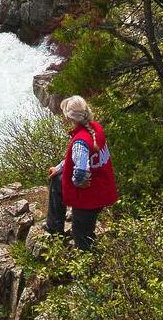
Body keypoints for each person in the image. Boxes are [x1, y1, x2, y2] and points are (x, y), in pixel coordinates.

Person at [46, 95, 118, 250]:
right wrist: (59, 168)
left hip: (90, 197)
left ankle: (90, 268)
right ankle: (54, 228)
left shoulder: (80, 141)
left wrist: (77, 183)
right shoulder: (95, 129)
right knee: (57, 180)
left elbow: (80, 171)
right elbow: (82, 158)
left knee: (81, 236)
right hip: (103, 186)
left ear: (70, 118)